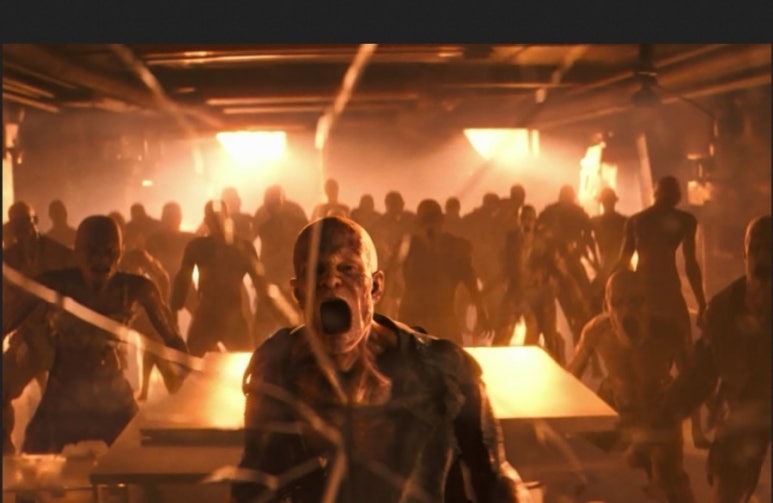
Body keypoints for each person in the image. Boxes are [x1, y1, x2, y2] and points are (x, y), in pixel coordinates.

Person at [231, 216, 521, 503]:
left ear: (375, 287)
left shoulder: (442, 367)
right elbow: (254, 484)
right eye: (316, 271)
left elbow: (495, 475)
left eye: (348, 268)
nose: (330, 280)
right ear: (298, 293)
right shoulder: (277, 369)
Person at [2, 216, 188, 454]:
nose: (101, 260)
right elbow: (6, 321)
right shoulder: (54, 284)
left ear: (120, 252)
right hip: (64, 390)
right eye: (92, 251)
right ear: (77, 253)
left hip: (111, 390)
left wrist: (189, 375)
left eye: (109, 252)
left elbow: (172, 337)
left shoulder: (138, 289)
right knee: (35, 454)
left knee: (134, 455)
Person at [658, 215, 771, 503]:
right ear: (745, 254)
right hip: (745, 415)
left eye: (770, 248)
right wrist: (662, 416)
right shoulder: (724, 310)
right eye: (756, 248)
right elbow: (700, 373)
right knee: (728, 478)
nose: (763, 257)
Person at [568, 270, 696, 503]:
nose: (628, 311)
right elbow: (569, 379)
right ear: (607, 307)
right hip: (618, 414)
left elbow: (692, 381)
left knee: (670, 482)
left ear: (649, 304)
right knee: (589, 479)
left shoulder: (668, 332)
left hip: (659, 417)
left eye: (637, 301)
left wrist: (681, 416)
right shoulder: (597, 332)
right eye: (618, 303)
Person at [616, 175, 708, 447]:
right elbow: (690, 265)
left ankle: (644, 427)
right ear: (675, 195)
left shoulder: (637, 221)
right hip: (666, 293)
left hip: (644, 296)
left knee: (645, 360)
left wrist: (618, 300)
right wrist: (702, 302)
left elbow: (622, 265)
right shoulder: (684, 220)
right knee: (684, 360)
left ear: (655, 193)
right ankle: (694, 429)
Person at [2, 201, 76, 454]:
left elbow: (76, 291)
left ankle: (63, 448)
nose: (23, 231)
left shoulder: (59, 253)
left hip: (59, 339)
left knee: (69, 400)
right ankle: (5, 449)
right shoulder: (8, 259)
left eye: (27, 223)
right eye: (17, 226)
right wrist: (19, 336)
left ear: (36, 222)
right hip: (27, 338)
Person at [172, 200, 269, 356]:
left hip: (211, 313)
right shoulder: (242, 247)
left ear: (206, 221)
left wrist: (175, 307)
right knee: (247, 363)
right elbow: (262, 286)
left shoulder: (197, 246)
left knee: (192, 362)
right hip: (228, 313)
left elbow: (182, 281)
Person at [396, 199, 489, 346]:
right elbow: (390, 276)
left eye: (433, 220)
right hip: (413, 318)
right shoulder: (408, 246)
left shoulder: (455, 247)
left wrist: (481, 313)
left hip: (442, 319)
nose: (430, 226)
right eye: (426, 221)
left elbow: (471, 282)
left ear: (441, 222)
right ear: (418, 224)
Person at [494, 205, 563, 364]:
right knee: (503, 331)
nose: (527, 223)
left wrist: (546, 277)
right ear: (519, 220)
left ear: (535, 221)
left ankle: (555, 367)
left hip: (539, 293)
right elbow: (506, 265)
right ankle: (497, 364)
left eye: (530, 219)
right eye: (524, 219)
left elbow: (552, 266)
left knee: (547, 335)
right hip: (517, 291)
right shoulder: (511, 239)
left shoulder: (543, 241)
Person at [252, 185, 308, 341]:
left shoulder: (295, 212)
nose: (272, 208)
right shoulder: (262, 214)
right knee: (264, 321)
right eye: (269, 204)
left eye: (274, 203)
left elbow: (308, 237)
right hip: (270, 273)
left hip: (290, 272)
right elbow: (251, 237)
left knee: (296, 318)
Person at [590, 187, 627, 309]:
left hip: (611, 267)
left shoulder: (595, 222)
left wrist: (594, 262)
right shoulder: (624, 221)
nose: (607, 204)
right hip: (619, 266)